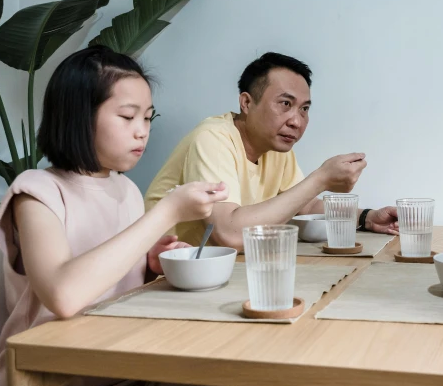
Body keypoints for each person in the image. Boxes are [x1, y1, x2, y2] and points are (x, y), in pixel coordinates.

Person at [0, 46, 278, 386]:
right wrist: (166, 212)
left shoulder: (124, 189)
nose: (142, 131)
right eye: (127, 117)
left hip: (130, 370)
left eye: (148, 117)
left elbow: (115, 283)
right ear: (78, 116)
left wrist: (150, 263)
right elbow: (63, 295)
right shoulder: (36, 192)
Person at [144, 52, 398, 250]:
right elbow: (229, 233)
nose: (296, 121)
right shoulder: (212, 138)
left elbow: (304, 207)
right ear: (246, 102)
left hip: (227, 272)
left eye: (304, 109)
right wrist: (320, 178)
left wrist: (367, 217)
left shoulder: (278, 149)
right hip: (160, 277)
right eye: (285, 104)